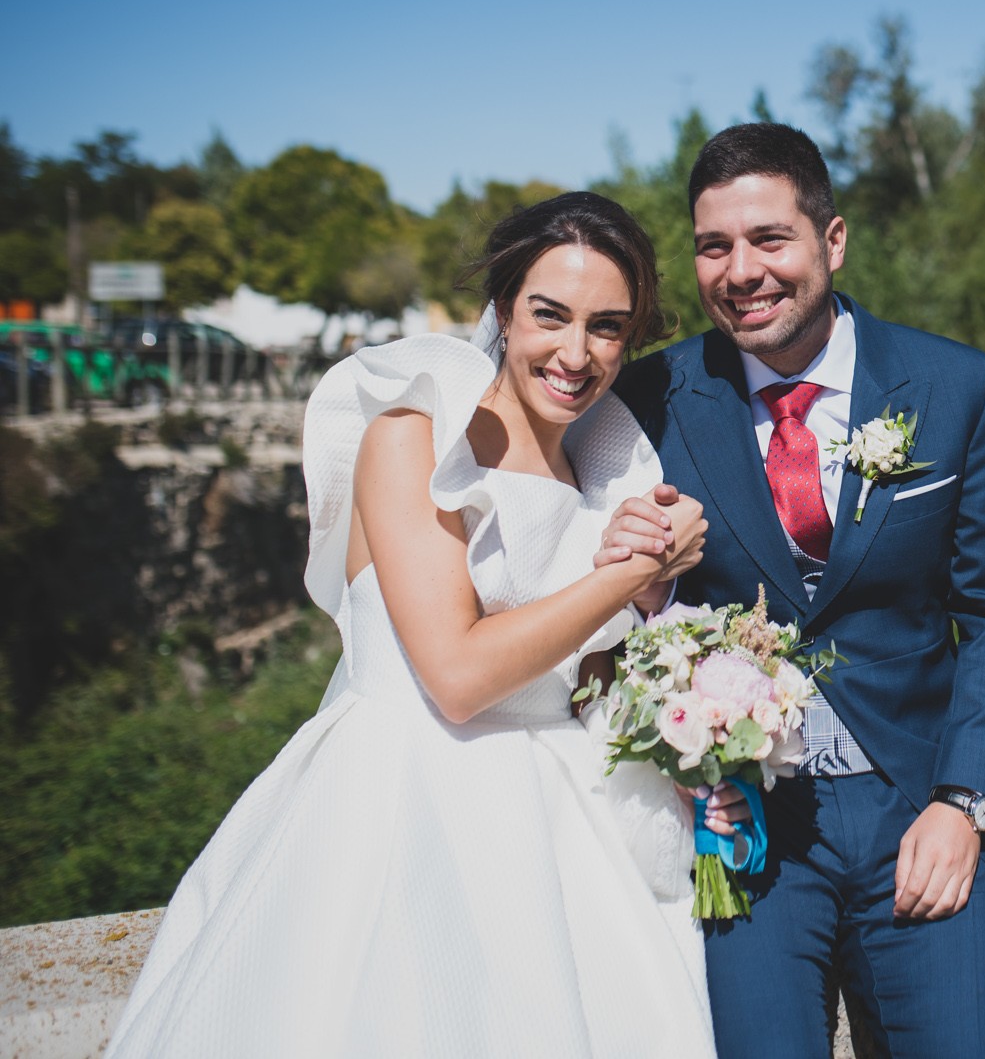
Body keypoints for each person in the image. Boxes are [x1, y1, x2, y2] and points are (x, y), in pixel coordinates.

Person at [108, 193, 725, 1059]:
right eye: (550, 315)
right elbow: (459, 676)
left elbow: (576, 671)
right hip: (405, 809)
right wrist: (631, 574)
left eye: (608, 327)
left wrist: (652, 617)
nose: (576, 353)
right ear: (504, 308)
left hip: (566, 829)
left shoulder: (602, 466)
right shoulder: (413, 435)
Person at [603, 124, 985, 1058]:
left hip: (915, 801)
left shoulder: (954, 386)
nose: (741, 271)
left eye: (770, 239)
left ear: (832, 240)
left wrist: (966, 801)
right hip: (746, 821)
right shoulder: (648, 399)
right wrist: (622, 566)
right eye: (714, 246)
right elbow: (614, 596)